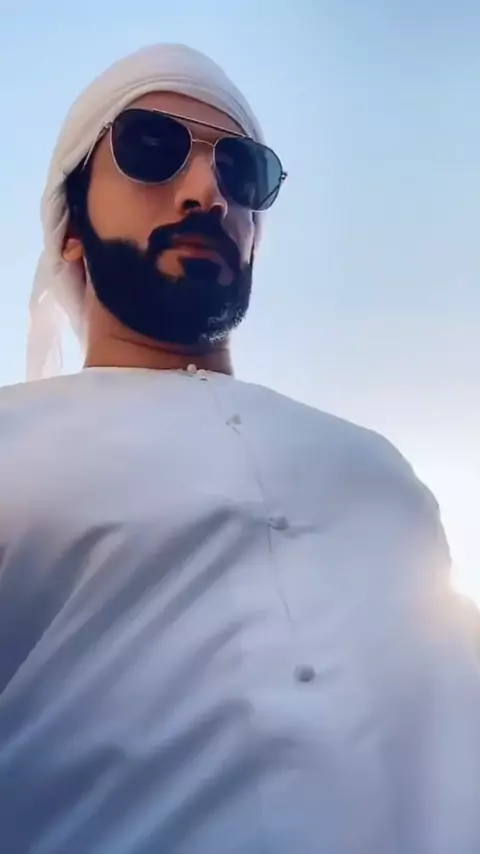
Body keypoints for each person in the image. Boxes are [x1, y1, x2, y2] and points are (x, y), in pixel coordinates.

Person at [0, 43, 479, 854]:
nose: (207, 192)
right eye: (151, 147)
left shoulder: (380, 470)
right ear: (70, 228)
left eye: (242, 171)